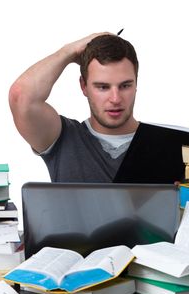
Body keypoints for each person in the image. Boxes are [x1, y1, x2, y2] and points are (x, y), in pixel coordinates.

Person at [9, 32, 140, 182]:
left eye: (125, 86)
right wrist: (69, 52)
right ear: (83, 86)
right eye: (103, 87)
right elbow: (21, 97)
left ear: (136, 84)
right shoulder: (64, 138)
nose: (115, 99)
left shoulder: (165, 144)